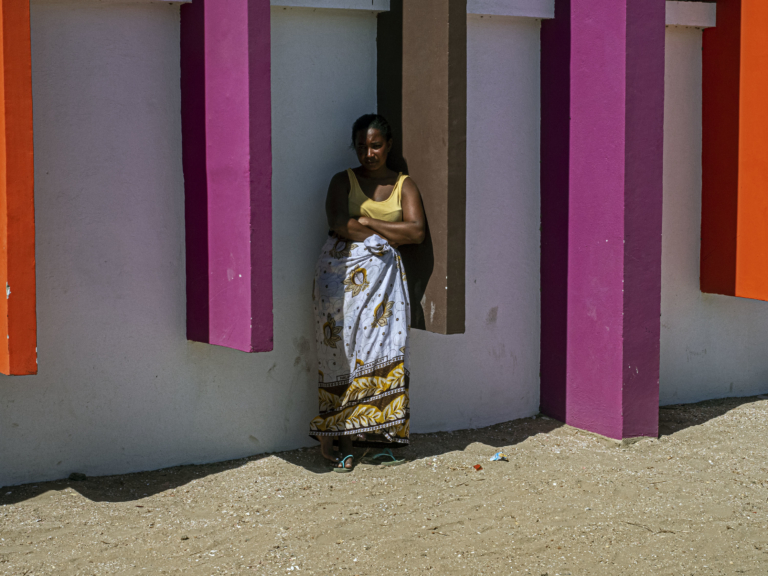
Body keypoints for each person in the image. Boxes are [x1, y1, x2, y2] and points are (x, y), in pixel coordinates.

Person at [309, 114, 426, 472]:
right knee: (341, 353)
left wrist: (370, 222)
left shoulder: (404, 185)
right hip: (339, 280)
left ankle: (370, 437)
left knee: (380, 350)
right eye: (362, 146)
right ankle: (339, 437)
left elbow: (416, 232)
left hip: (383, 286)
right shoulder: (342, 181)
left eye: (376, 146)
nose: (369, 153)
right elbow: (337, 223)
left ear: (388, 145)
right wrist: (388, 233)